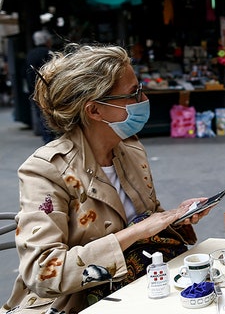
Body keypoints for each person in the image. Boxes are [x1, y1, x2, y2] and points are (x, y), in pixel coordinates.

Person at [2, 43, 212, 314]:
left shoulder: (130, 149)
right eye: (132, 93)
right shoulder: (45, 170)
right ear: (94, 111)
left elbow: (148, 222)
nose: (143, 98)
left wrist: (177, 216)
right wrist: (136, 232)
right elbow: (43, 272)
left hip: (141, 287)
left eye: (140, 88)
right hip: (76, 304)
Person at [26, 29, 56, 143]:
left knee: (42, 115)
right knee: (49, 115)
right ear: (47, 40)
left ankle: (47, 139)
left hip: (34, 89)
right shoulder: (48, 52)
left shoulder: (31, 53)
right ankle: (50, 139)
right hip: (47, 89)